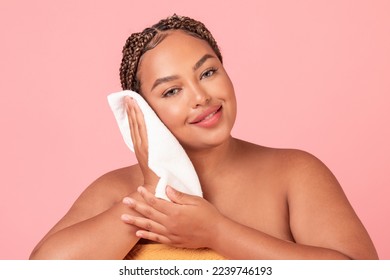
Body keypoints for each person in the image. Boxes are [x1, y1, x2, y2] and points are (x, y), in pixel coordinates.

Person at [29, 14, 378, 260]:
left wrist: (217, 233)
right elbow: (42, 271)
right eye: (171, 91)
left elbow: (359, 272)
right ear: (140, 110)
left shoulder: (295, 172)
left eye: (208, 72)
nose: (200, 97)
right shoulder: (113, 190)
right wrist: (155, 193)